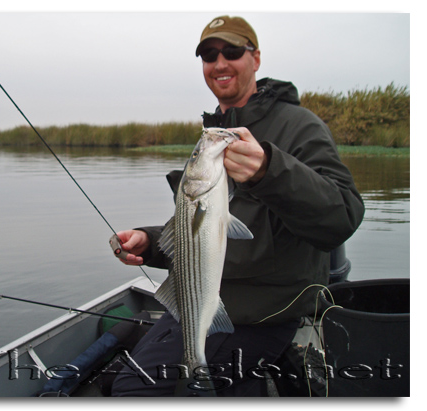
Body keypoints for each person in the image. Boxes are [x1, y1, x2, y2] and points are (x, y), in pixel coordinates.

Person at [110, 15, 365, 397]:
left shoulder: (299, 126)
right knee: (132, 386)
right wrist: (148, 242)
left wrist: (269, 170)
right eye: (209, 55)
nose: (220, 63)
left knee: (143, 391)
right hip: (198, 301)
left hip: (267, 312)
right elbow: (200, 234)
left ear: (256, 58)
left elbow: (343, 216)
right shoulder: (214, 134)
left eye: (232, 51)